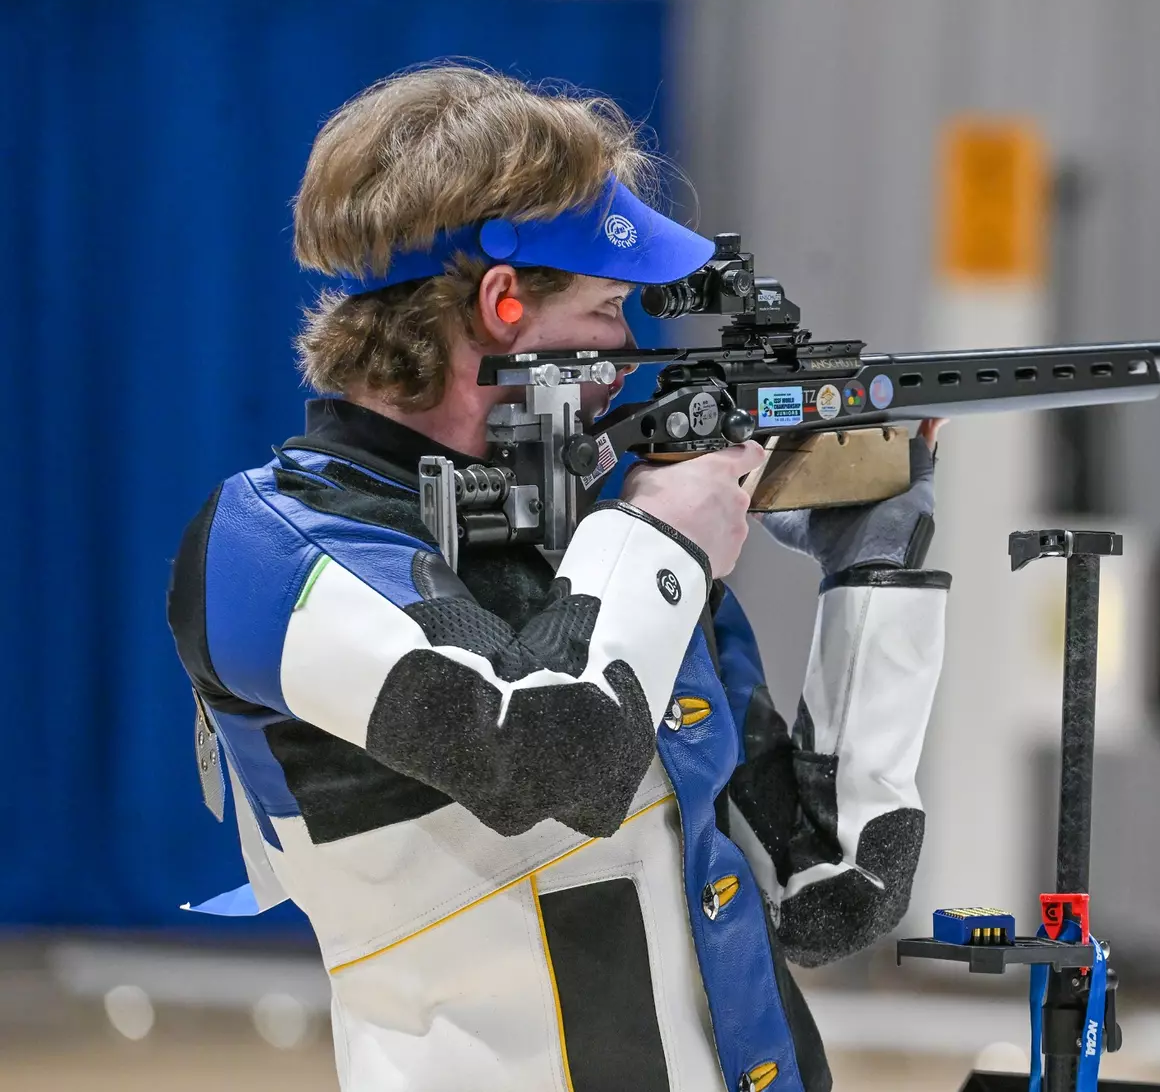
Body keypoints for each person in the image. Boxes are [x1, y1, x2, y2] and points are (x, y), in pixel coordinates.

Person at [165, 65, 949, 1092]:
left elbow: (834, 892)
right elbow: (551, 757)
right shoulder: (269, 550)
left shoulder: (599, 549)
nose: (631, 354)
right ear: (501, 304)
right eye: (608, 310)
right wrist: (660, 538)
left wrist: (872, 570)